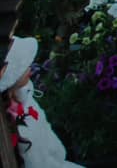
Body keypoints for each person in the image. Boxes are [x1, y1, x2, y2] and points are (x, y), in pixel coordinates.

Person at [5, 36, 83, 168]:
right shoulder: (14, 114)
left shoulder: (23, 95)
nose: (29, 66)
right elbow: (36, 161)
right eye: (22, 65)